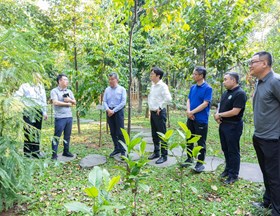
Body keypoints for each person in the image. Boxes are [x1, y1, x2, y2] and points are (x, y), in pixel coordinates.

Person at [249, 51, 280, 215]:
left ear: (264, 64)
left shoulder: (276, 81)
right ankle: (267, 202)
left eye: (253, 62)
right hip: (259, 136)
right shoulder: (259, 82)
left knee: (275, 177)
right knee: (266, 173)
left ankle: (277, 210)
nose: (250, 65)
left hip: (273, 139)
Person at [214, 72, 247, 184]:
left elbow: (235, 111)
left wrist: (220, 115)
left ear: (233, 80)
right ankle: (228, 169)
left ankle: (234, 175)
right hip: (223, 124)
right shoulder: (226, 93)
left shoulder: (240, 93)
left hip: (233, 126)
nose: (224, 82)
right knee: (225, 149)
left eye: (225, 79)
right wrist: (217, 114)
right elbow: (220, 106)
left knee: (233, 150)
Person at [182, 66, 212, 173]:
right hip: (191, 118)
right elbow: (189, 99)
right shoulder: (193, 87)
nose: (193, 76)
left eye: (195, 74)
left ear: (201, 76)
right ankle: (189, 158)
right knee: (189, 139)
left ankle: (200, 163)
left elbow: (205, 103)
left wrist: (192, 112)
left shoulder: (208, 88)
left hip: (201, 119)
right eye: (193, 74)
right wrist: (188, 111)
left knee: (200, 142)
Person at [15, 73, 48, 158]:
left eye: (39, 78)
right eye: (36, 77)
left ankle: (36, 151)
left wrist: (44, 112)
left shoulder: (40, 86)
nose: (38, 79)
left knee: (37, 132)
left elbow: (43, 99)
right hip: (28, 111)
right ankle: (27, 152)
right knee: (28, 131)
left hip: (38, 111)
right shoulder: (25, 86)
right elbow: (18, 96)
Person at [148, 67, 172, 164]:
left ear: (158, 76)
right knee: (154, 133)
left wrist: (160, 107)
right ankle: (156, 152)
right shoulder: (153, 85)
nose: (151, 75)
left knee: (162, 135)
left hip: (159, 113)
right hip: (153, 112)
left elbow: (168, 99)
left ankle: (164, 155)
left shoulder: (163, 86)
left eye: (152, 74)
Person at [50, 74, 76, 160]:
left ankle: (66, 151)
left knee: (67, 135)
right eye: (65, 80)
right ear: (60, 81)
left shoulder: (69, 91)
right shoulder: (54, 91)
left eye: (67, 80)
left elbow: (74, 102)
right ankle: (54, 154)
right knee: (57, 136)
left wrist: (70, 100)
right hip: (60, 117)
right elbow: (55, 102)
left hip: (69, 116)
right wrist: (67, 104)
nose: (67, 81)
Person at [103, 72, 127, 157]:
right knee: (112, 132)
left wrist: (114, 111)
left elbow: (123, 102)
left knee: (120, 132)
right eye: (109, 79)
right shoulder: (107, 89)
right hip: (109, 111)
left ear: (117, 79)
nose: (110, 81)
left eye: (112, 79)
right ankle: (116, 148)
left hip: (118, 112)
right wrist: (108, 109)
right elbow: (104, 101)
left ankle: (123, 151)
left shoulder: (122, 89)